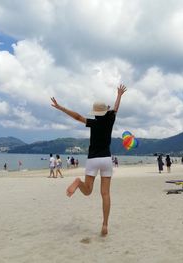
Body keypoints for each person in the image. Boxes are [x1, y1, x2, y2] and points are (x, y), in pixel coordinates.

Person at [51, 84, 127, 236]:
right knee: (105, 194)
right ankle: (105, 224)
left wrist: (61, 108)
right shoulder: (110, 118)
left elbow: (77, 116)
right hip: (106, 159)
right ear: (106, 110)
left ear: (95, 113)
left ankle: (79, 183)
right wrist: (119, 95)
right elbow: (116, 107)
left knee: (88, 191)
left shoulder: (93, 122)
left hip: (93, 159)